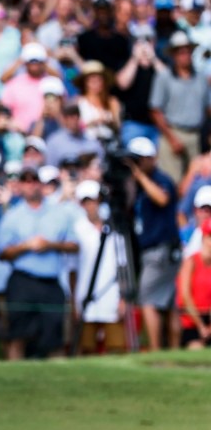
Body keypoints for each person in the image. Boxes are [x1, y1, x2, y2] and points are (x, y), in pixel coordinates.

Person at [0, 165, 78, 359]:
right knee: (17, 335)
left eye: (34, 180)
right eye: (26, 181)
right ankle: (15, 381)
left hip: (50, 282)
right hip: (22, 281)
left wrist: (50, 244)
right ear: (21, 186)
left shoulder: (59, 212)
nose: (31, 185)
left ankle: (58, 382)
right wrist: (25, 246)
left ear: (41, 184)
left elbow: (74, 245)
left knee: (54, 336)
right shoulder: (12, 216)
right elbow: (2, 253)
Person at [125, 137, 181, 351]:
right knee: (167, 303)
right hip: (154, 250)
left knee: (148, 299)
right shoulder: (138, 184)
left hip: (161, 248)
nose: (136, 164)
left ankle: (156, 350)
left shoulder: (160, 179)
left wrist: (138, 176)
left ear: (150, 159)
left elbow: (162, 199)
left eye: (139, 160)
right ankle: (173, 351)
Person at [71, 180, 126, 354]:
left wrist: (124, 297)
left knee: (117, 347)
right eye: (85, 201)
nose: (90, 206)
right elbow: (72, 270)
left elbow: (122, 267)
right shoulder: (76, 230)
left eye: (93, 200)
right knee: (87, 347)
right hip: (84, 295)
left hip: (112, 295)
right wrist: (74, 302)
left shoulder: (115, 228)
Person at [150, 32, 209, 180]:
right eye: (181, 52)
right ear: (173, 55)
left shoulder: (201, 78)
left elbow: (208, 108)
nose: (185, 55)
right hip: (172, 133)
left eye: (188, 51)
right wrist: (172, 138)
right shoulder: (164, 77)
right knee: (172, 181)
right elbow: (155, 111)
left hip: (196, 136)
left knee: (194, 183)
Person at [176, 218, 211, 348]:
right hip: (192, 321)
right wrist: (201, 326)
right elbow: (185, 296)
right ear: (203, 238)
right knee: (196, 348)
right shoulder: (191, 262)